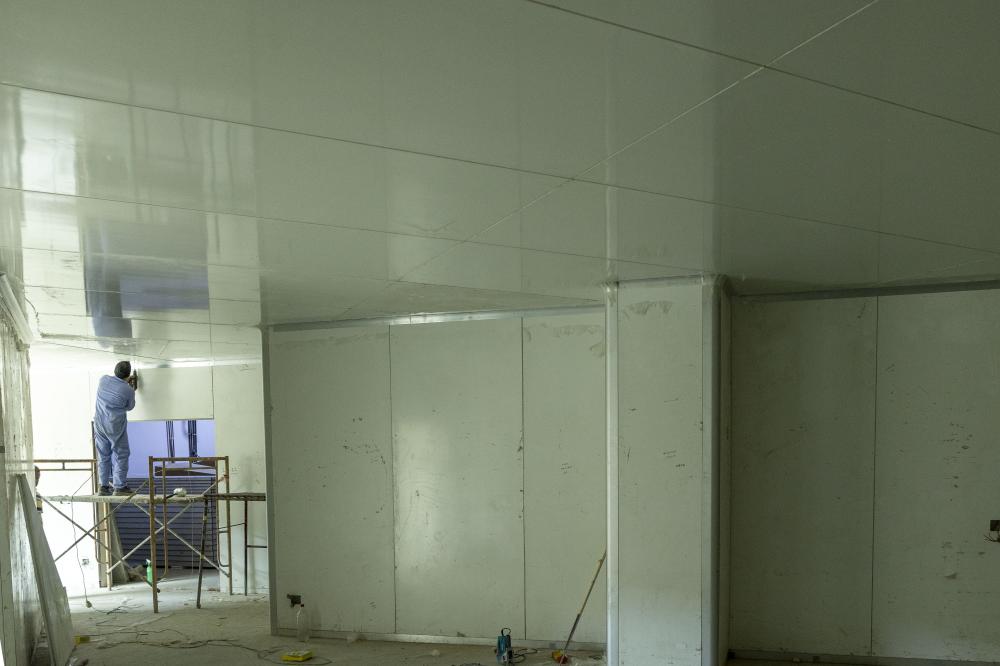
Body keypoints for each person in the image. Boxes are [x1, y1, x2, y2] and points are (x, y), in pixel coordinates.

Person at [94, 361, 138, 496]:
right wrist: (129, 386)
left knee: (103, 455)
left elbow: (114, 389)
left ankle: (103, 487)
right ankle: (119, 487)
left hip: (99, 423)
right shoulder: (128, 390)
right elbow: (130, 407)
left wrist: (124, 383)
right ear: (128, 375)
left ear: (115, 370)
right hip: (114, 425)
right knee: (121, 454)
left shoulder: (103, 380)